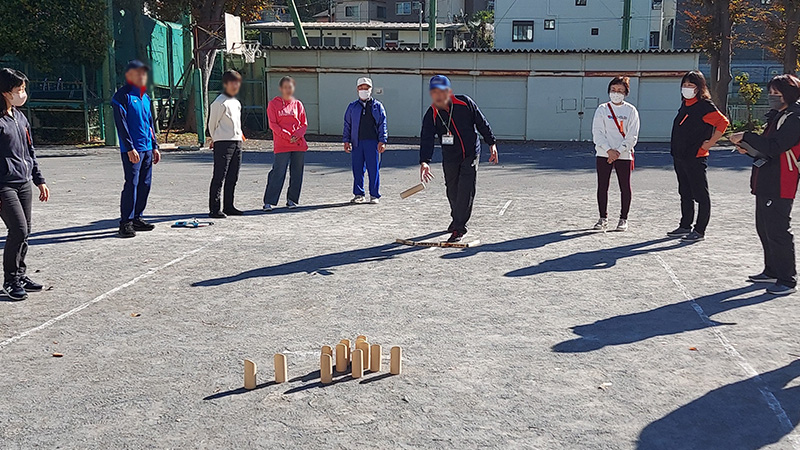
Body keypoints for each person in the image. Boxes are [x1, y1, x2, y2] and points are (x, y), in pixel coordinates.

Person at [730, 74, 800, 295]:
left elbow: (776, 146)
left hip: (782, 181)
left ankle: (787, 279)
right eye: (770, 92)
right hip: (767, 178)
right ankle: (771, 270)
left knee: (778, 230)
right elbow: (766, 149)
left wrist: (747, 136)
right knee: (764, 228)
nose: (772, 97)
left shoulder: (794, 118)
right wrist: (748, 148)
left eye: (776, 93)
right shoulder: (777, 116)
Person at [419, 75, 498, 243]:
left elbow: (481, 123)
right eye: (434, 92)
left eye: (441, 91)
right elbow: (426, 138)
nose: (438, 96)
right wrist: (425, 161)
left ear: (449, 91)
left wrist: (492, 143)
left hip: (471, 152)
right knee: (452, 189)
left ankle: (459, 227)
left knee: (465, 188)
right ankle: (457, 218)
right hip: (450, 155)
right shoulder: (432, 113)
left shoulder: (464, 103)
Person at [0, 68, 49, 301]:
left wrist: (39, 180)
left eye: (24, 89)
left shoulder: (20, 117)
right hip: (4, 186)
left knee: (25, 231)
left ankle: (20, 275)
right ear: (4, 92)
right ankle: (10, 281)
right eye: (18, 90)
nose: (23, 93)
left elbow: (30, 151)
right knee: (17, 229)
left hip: (23, 182)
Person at [667, 70, 729, 242]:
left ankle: (699, 230)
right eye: (685, 84)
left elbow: (723, 122)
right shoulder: (686, 104)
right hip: (680, 156)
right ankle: (685, 225)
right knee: (684, 192)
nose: (687, 88)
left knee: (700, 194)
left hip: (696, 156)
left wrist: (710, 143)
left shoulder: (704, 106)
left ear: (699, 87)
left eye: (691, 85)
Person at [112, 60, 161, 238]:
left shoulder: (145, 97)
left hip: (147, 148)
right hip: (132, 150)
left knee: (145, 184)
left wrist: (155, 146)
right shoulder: (121, 97)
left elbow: (149, 124)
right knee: (131, 184)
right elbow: (121, 125)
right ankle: (125, 222)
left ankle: (138, 217)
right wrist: (130, 148)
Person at [591, 76, 640, 232]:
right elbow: (597, 132)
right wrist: (608, 150)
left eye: (620, 90)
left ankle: (623, 218)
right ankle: (602, 218)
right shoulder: (602, 109)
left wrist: (619, 150)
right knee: (602, 186)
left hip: (623, 154)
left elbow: (632, 135)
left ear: (626, 92)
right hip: (604, 153)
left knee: (625, 186)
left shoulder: (631, 111)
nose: (616, 93)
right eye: (613, 90)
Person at [263, 76, 308, 211]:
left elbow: (304, 123)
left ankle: (292, 199)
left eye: (290, 87)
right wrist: (287, 135)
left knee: (297, 172)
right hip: (282, 144)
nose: (288, 90)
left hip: (298, 144)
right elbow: (273, 124)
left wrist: (297, 135)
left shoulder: (298, 104)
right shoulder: (273, 104)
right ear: (280, 89)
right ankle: (269, 201)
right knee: (278, 171)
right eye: (285, 87)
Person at [343, 77, 388, 204]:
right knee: (357, 169)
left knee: (374, 169)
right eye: (361, 88)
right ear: (357, 89)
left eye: (366, 88)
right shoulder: (352, 107)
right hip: (357, 142)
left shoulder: (377, 106)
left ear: (371, 89)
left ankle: (374, 195)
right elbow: (347, 124)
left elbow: (382, 123)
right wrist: (346, 141)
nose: (364, 90)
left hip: (373, 143)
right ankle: (359, 194)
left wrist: (382, 140)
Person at [207, 69, 244, 218]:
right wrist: (215, 139)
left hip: (236, 142)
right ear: (226, 84)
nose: (236, 86)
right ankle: (214, 208)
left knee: (233, 176)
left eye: (238, 83)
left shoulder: (236, 102)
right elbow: (212, 124)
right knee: (219, 176)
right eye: (233, 83)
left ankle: (229, 205)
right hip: (223, 143)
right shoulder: (219, 102)